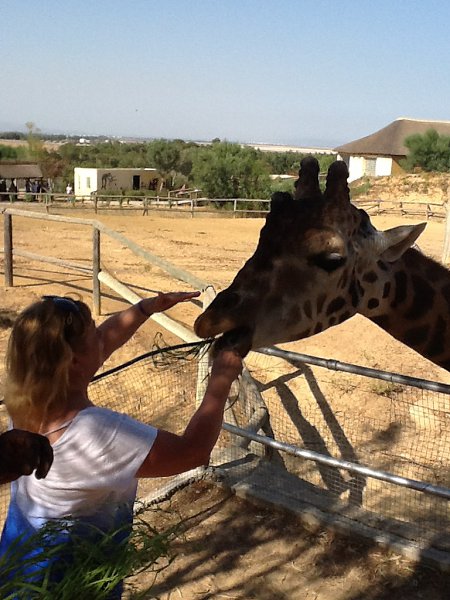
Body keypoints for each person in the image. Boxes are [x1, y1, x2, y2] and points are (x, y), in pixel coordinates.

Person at [0, 292, 242, 596]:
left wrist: (145, 309)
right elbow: (192, 452)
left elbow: (102, 342)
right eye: (94, 335)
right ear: (72, 361)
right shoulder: (96, 432)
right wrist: (220, 380)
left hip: (18, 562)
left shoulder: (26, 402)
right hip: (71, 579)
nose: (101, 339)